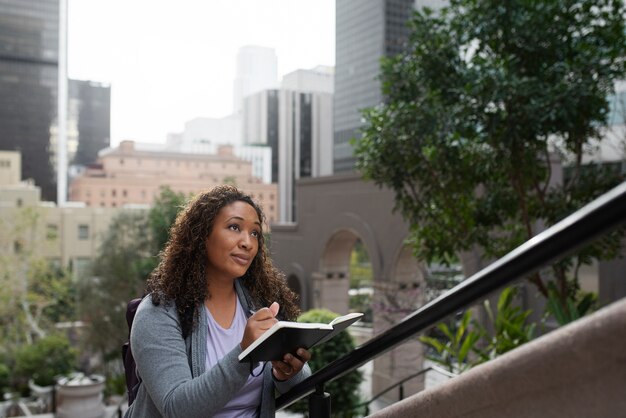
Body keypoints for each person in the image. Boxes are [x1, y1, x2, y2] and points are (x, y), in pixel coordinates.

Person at [125, 185, 311, 418]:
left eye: (255, 233)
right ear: (202, 236)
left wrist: (287, 372)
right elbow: (177, 408)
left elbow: (301, 387)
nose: (248, 243)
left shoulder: (261, 303)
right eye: (234, 227)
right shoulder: (158, 312)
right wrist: (245, 352)